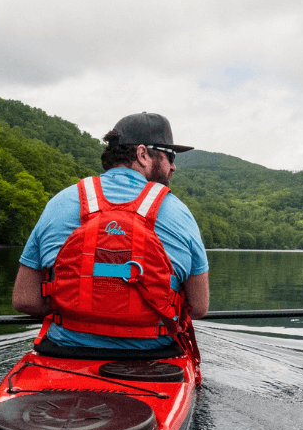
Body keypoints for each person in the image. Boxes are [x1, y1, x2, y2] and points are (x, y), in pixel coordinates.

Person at [13, 112, 209, 354]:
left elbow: (25, 299)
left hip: (64, 351)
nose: (173, 166)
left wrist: (76, 304)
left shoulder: (60, 202)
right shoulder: (179, 212)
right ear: (142, 154)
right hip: (152, 355)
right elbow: (199, 307)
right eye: (169, 155)